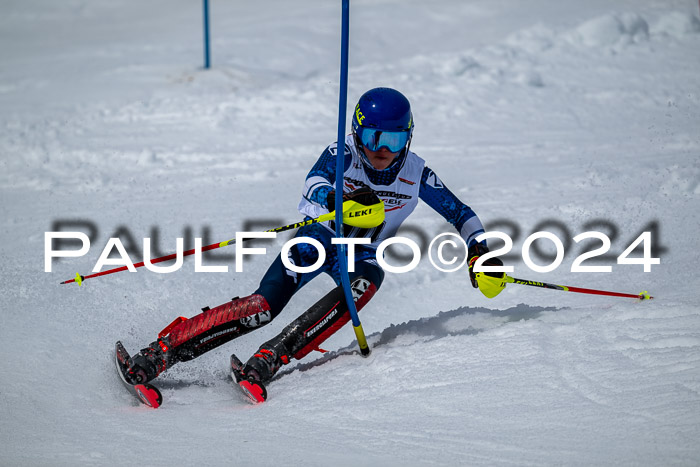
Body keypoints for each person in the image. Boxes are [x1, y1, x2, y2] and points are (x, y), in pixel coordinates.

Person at [122, 87, 505, 402]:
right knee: (262, 307)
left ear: (408, 137)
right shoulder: (343, 154)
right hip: (316, 239)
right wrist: (339, 201)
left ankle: (271, 358)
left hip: (360, 254)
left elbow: (461, 212)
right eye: (373, 136)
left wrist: (480, 251)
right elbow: (313, 184)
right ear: (357, 132)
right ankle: (158, 354)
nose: (382, 149)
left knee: (367, 281)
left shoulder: (415, 172)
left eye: (394, 138)